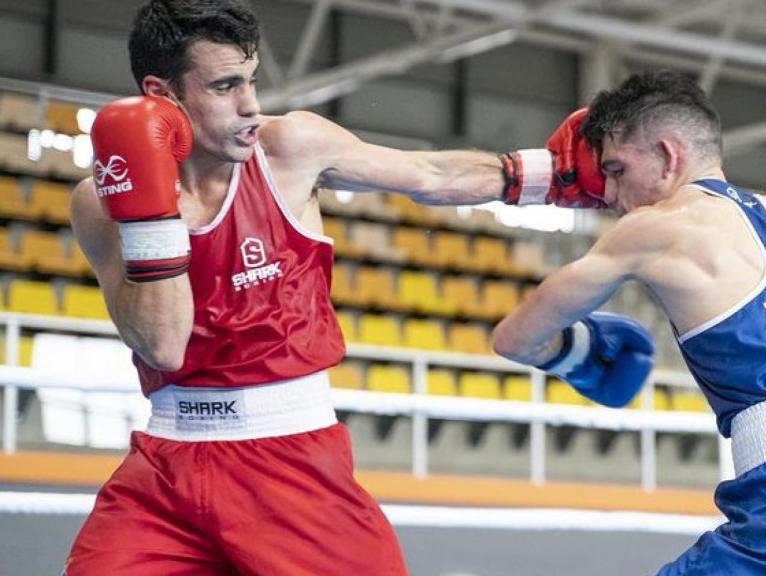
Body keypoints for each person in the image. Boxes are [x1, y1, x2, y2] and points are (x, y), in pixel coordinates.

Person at [64, 0, 606, 573]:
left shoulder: (288, 149)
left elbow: (430, 176)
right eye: (225, 87)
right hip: (163, 471)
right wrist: (151, 213)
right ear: (162, 94)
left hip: (289, 461)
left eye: (251, 81)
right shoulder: (101, 203)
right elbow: (163, 344)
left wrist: (552, 174)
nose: (250, 106)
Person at [492, 70, 766, 575]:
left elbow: (515, 338)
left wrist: (573, 351)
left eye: (616, 170)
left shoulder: (655, 227)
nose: (611, 195)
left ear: (668, 154)